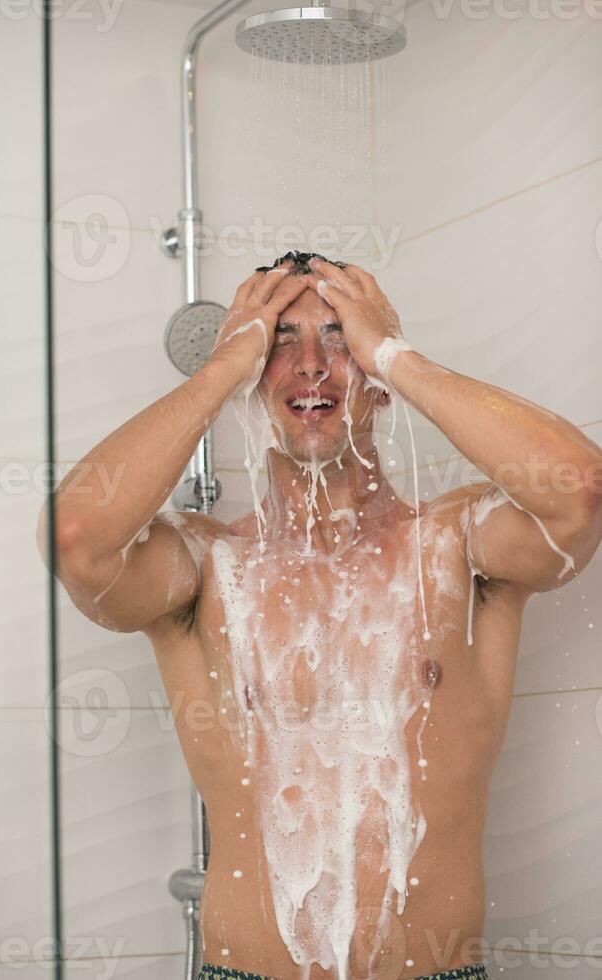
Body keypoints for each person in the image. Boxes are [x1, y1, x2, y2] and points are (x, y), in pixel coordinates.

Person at [39, 250, 602, 980]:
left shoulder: (459, 549)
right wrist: (223, 368)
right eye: (280, 340)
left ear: (379, 376)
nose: (311, 364)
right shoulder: (204, 570)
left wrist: (394, 354)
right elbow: (76, 536)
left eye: (338, 336)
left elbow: (580, 490)